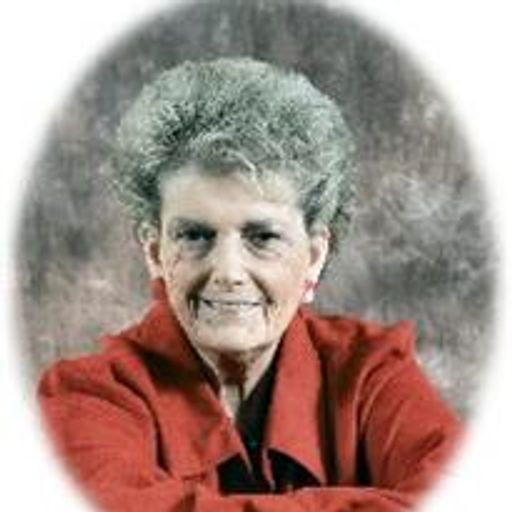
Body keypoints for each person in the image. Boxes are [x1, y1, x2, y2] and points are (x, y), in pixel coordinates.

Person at [38, 58, 461, 511]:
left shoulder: (371, 373)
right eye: (195, 235)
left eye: (263, 237)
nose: (227, 271)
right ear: (155, 251)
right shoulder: (86, 398)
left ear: (314, 255)